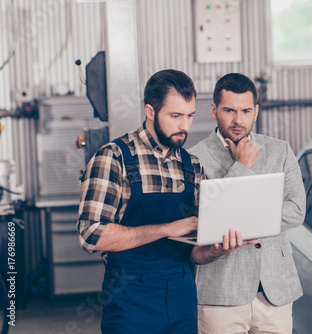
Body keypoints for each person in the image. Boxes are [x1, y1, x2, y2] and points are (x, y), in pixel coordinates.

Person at [77, 69, 246, 334]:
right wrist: (167, 228)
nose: (185, 126)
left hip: (182, 299)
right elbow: (91, 235)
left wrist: (217, 249)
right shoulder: (113, 158)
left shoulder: (192, 165)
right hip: (131, 303)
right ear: (150, 111)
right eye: (175, 116)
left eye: (190, 116)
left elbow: (194, 253)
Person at [189, 73, 307, 334]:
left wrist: (237, 216)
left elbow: (296, 211)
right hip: (220, 294)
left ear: (256, 111)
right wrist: (242, 166)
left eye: (245, 110)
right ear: (213, 110)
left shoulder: (280, 150)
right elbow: (205, 222)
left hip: (274, 291)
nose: (238, 120)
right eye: (229, 110)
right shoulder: (193, 158)